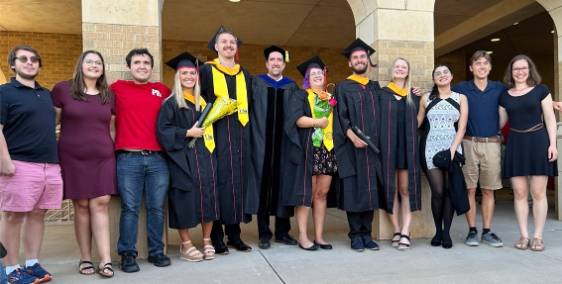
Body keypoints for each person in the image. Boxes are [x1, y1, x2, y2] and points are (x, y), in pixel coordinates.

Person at [0, 45, 62, 283]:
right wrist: (4, 160)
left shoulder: (45, 94)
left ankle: (32, 264)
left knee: (38, 215)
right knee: (13, 217)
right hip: (18, 164)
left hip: (49, 165)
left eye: (34, 59)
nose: (29, 62)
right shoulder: (4, 92)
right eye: (23, 59)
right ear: (13, 65)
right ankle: (9, 269)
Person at [51, 50, 115, 277]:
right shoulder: (62, 90)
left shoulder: (108, 95)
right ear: (81, 65)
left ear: (102, 69)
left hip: (103, 157)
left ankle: (106, 260)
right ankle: (85, 258)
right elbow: (52, 124)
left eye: (98, 62)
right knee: (81, 206)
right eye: (89, 61)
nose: (94, 65)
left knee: (101, 202)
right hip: (73, 156)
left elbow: (112, 128)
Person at [111, 48, 171, 272]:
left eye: (146, 62)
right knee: (130, 208)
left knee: (156, 208)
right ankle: (127, 254)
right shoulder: (116, 88)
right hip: (128, 158)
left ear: (151, 66)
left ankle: (157, 252)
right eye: (137, 62)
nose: (142, 66)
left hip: (158, 159)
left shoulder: (162, 90)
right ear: (129, 66)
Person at [199, 26, 258, 254]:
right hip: (217, 135)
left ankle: (234, 235)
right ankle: (215, 236)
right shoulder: (206, 71)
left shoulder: (245, 75)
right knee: (218, 182)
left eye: (232, 42)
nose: (228, 45)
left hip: (240, 135)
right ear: (216, 46)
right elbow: (200, 102)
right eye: (223, 42)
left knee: (237, 183)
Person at [157, 52, 220, 261]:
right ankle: (185, 244)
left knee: (208, 197)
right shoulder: (171, 103)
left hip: (205, 157)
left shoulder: (203, 103)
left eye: (192, 73)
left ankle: (207, 240)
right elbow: (163, 131)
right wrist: (186, 133)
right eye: (184, 73)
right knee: (183, 199)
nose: (189, 77)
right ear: (177, 76)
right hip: (182, 159)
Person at [499, 54, 557, 251]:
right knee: (520, 192)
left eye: (524, 68)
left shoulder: (542, 90)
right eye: (516, 69)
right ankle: (524, 235)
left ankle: (538, 236)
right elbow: (500, 122)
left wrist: (552, 144)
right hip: (516, 143)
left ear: (530, 70)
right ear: (511, 72)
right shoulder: (505, 96)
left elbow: (549, 118)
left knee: (538, 192)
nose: (520, 71)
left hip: (538, 141)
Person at [280, 56, 336, 251]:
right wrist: (316, 122)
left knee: (321, 194)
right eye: (313, 74)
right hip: (309, 148)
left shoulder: (330, 98)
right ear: (307, 79)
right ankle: (303, 236)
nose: (317, 76)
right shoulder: (301, 95)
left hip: (327, 149)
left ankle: (319, 236)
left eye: (320, 73)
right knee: (307, 193)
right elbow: (296, 119)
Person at [451, 51, 506, 248]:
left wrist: (548, 103)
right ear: (471, 68)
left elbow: (520, 98)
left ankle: (487, 231)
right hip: (468, 143)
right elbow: (439, 94)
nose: (481, 67)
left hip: (492, 144)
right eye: (477, 63)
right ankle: (472, 230)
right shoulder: (461, 88)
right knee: (470, 189)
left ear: (490, 67)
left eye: (485, 63)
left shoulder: (499, 88)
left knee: (489, 190)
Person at [333, 39, 381, 252]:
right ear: (350, 63)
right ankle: (355, 235)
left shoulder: (375, 87)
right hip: (351, 148)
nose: (360, 60)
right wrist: (351, 136)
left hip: (372, 149)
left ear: (367, 61)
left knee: (370, 191)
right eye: (355, 58)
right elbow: (340, 116)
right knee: (354, 190)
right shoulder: (343, 87)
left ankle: (367, 235)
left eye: (363, 57)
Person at [250, 45, 298, 249]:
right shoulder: (257, 83)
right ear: (266, 64)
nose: (276, 63)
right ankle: (263, 233)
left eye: (279, 60)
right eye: (272, 60)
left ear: (284, 64)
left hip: (284, 145)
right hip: (262, 144)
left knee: (283, 186)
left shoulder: (291, 86)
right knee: (263, 185)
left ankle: (282, 232)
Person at [417, 64, 468, 249]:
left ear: (452, 76)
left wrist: (453, 150)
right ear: (434, 79)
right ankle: (437, 231)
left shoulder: (460, 98)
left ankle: (447, 233)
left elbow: (462, 127)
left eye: (445, 72)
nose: (442, 75)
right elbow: (417, 121)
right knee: (437, 192)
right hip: (430, 148)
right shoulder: (426, 98)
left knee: (449, 191)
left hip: (452, 148)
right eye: (438, 73)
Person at [378, 57, 421, 250]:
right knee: (390, 189)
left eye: (404, 67)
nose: (400, 69)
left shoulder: (415, 95)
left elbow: (419, 122)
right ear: (392, 71)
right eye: (397, 67)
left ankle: (406, 230)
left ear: (408, 71)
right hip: (387, 148)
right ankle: (396, 229)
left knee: (406, 189)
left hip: (407, 149)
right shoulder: (382, 94)